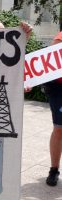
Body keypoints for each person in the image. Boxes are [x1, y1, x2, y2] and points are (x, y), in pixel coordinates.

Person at [41, 32, 62, 186]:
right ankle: (54, 169)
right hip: (59, 89)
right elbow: (50, 59)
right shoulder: (60, 37)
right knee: (59, 129)